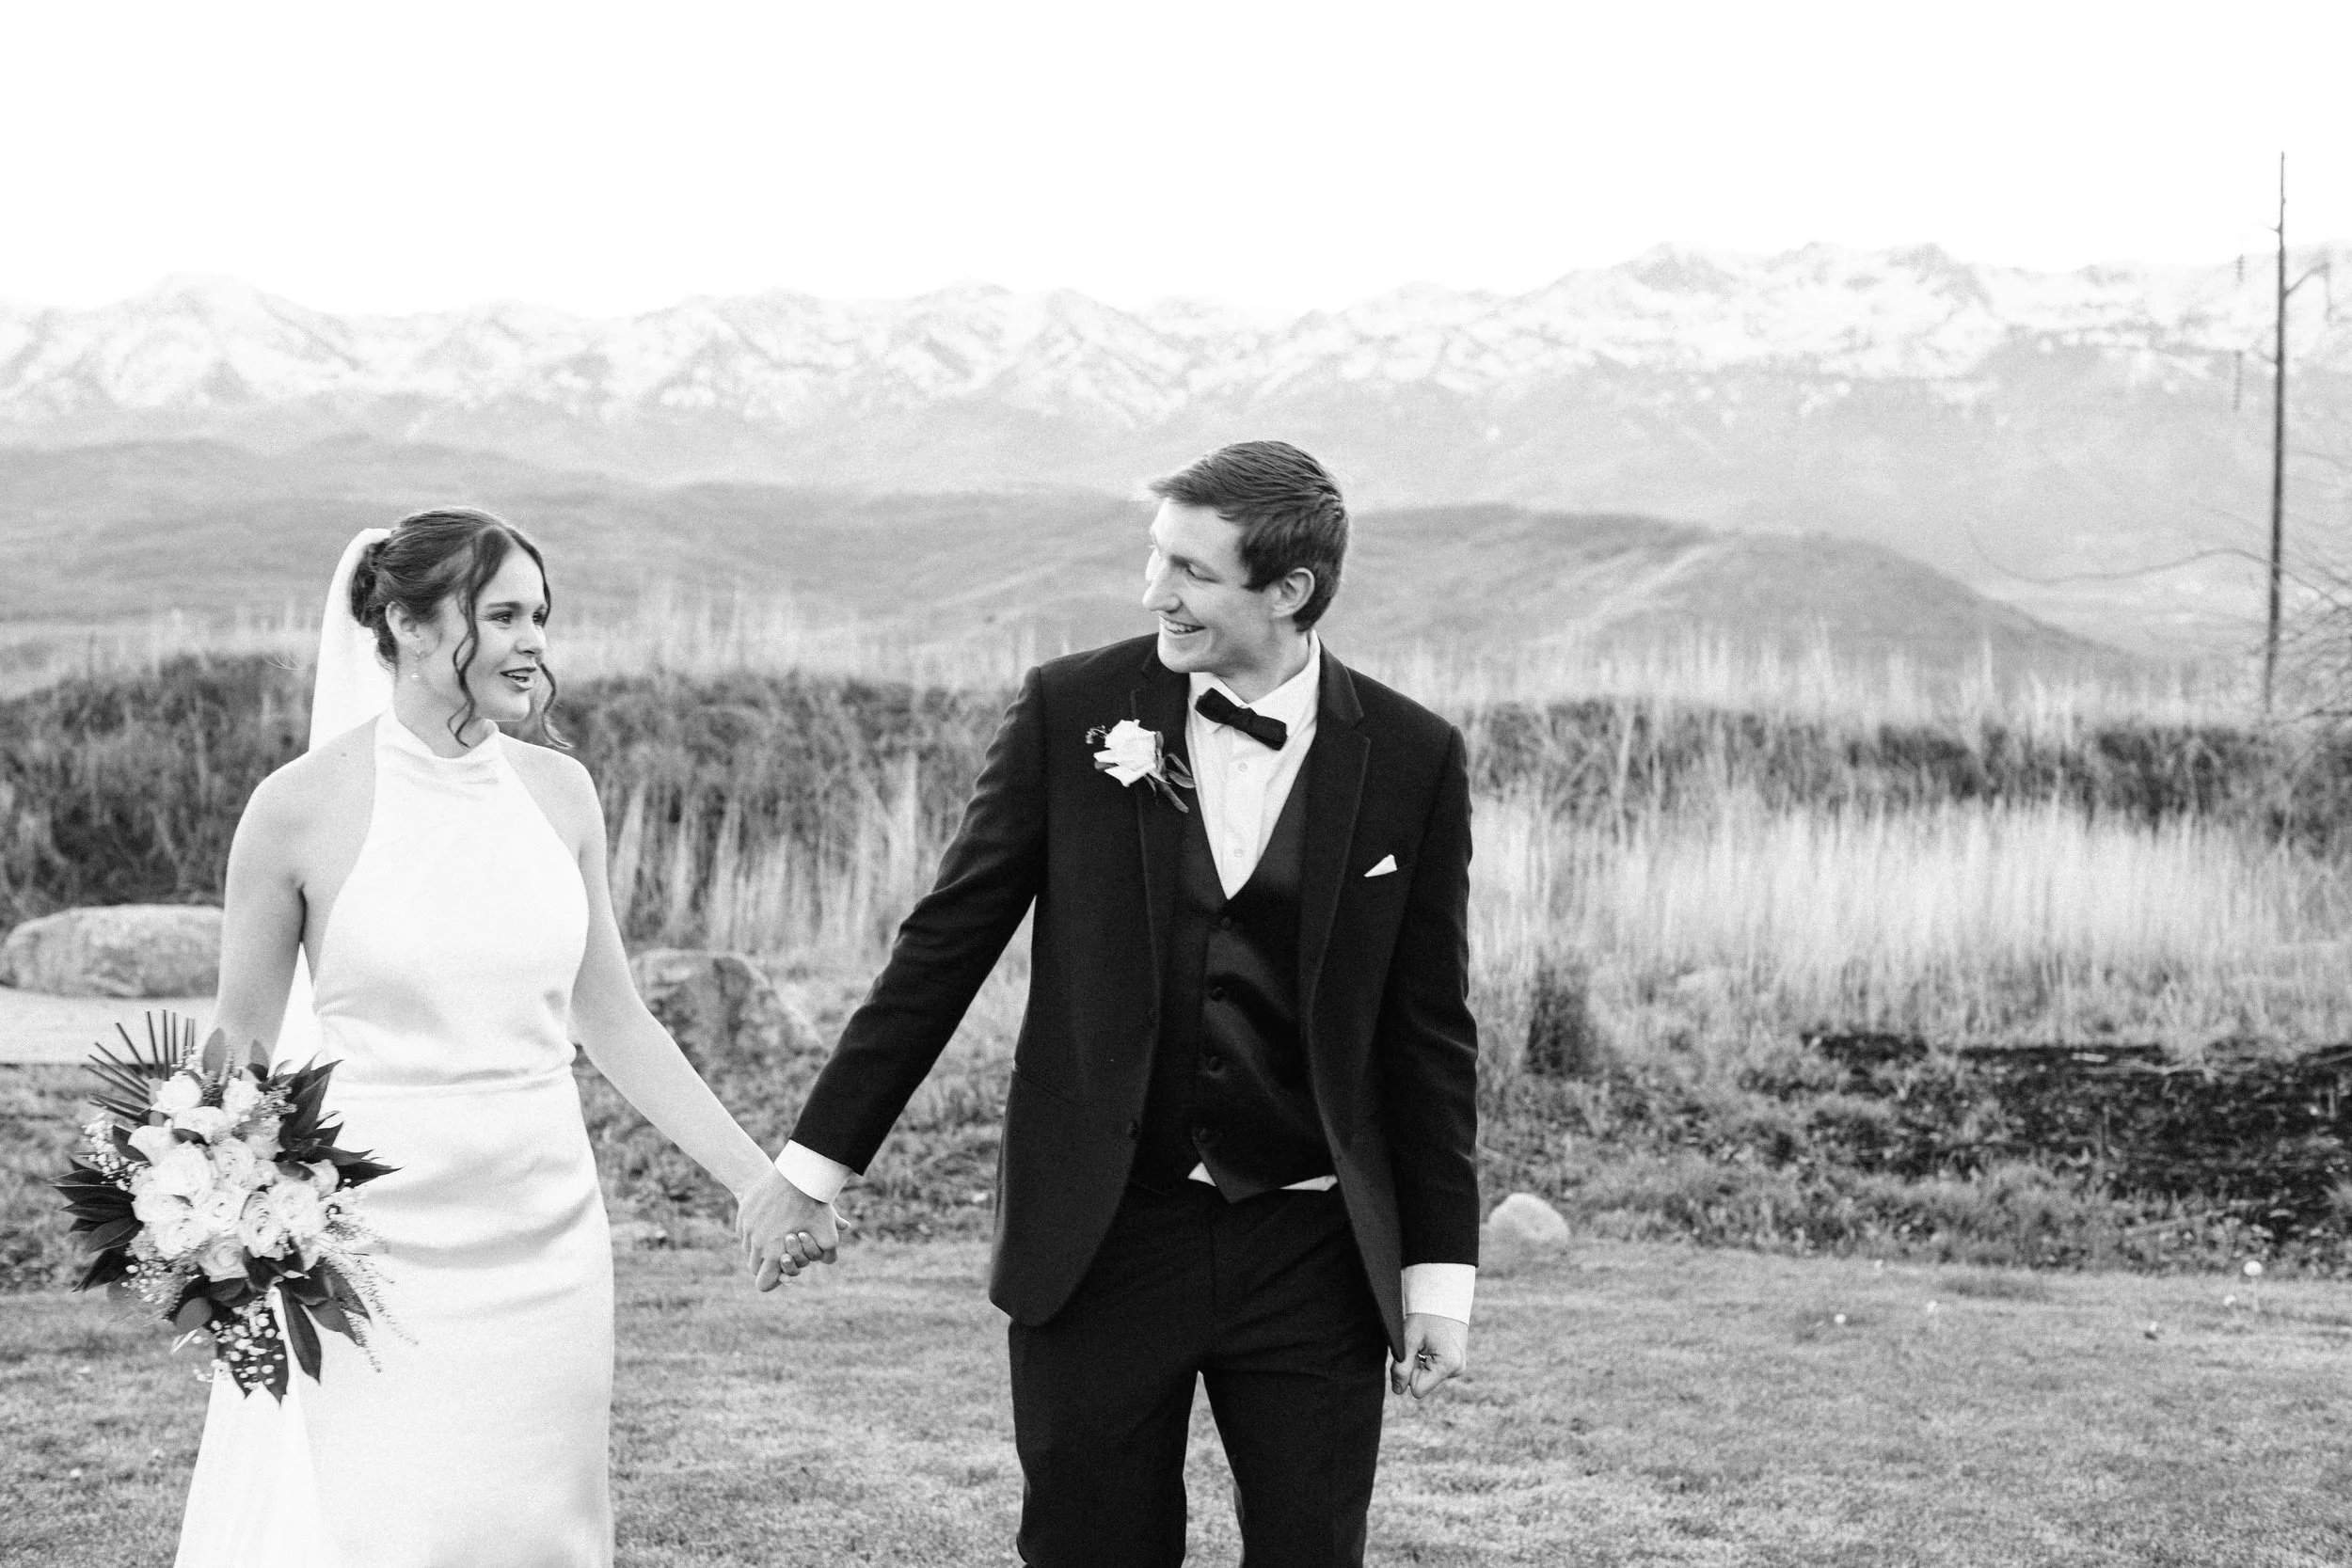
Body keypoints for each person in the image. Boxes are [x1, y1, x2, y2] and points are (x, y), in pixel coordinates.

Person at [741, 441, 1481, 1566]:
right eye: (1154, 557)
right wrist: (812, 1166)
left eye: (1189, 569)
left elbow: (1428, 1032)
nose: (1153, 592)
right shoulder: (1071, 709)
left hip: (1313, 1246)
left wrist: (1436, 1274)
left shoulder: (1414, 756)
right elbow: (943, 946)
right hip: (1101, 1233)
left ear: (1289, 590)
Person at [179, 508, 817, 1567]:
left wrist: (757, 1178)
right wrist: (209, 1230)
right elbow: (239, 1054)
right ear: (408, 625)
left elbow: (612, 1016)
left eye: (540, 617)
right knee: (393, 1526)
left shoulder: (561, 793)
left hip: (546, 1231)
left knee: (535, 1527)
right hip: (370, 1244)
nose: (534, 641)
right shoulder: (294, 809)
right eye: (503, 614)